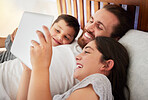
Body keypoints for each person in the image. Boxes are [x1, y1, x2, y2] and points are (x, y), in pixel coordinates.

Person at [0, 4, 132, 99]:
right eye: (91, 20)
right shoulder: (70, 40)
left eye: (99, 26)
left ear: (115, 39)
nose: (89, 27)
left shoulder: (92, 72)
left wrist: (39, 68)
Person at [17, 29, 130, 100]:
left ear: (106, 65)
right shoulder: (87, 87)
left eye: (87, 51)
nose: (77, 57)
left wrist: (41, 67)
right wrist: (28, 70)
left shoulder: (99, 83)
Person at [0, 14, 80, 63]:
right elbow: (7, 42)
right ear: (51, 27)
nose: (59, 37)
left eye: (66, 37)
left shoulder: (59, 56)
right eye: (57, 30)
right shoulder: (38, 35)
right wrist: (17, 35)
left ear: (71, 42)